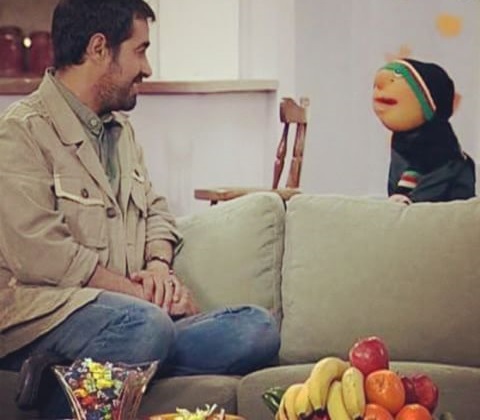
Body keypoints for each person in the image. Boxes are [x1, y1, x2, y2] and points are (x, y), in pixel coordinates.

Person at [0, 0, 280, 417]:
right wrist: (143, 298)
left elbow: (157, 211)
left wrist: (158, 268)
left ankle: (74, 373)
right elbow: (41, 253)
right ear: (99, 49)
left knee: (256, 329)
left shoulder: (121, 132)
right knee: (146, 326)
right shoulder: (20, 132)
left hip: (129, 320)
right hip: (44, 318)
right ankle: (110, 365)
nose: (146, 68)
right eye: (140, 50)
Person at [372, 58, 475, 204]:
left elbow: (439, 177)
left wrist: (409, 198)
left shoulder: (442, 145)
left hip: (443, 210)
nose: (378, 87)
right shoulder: (401, 141)